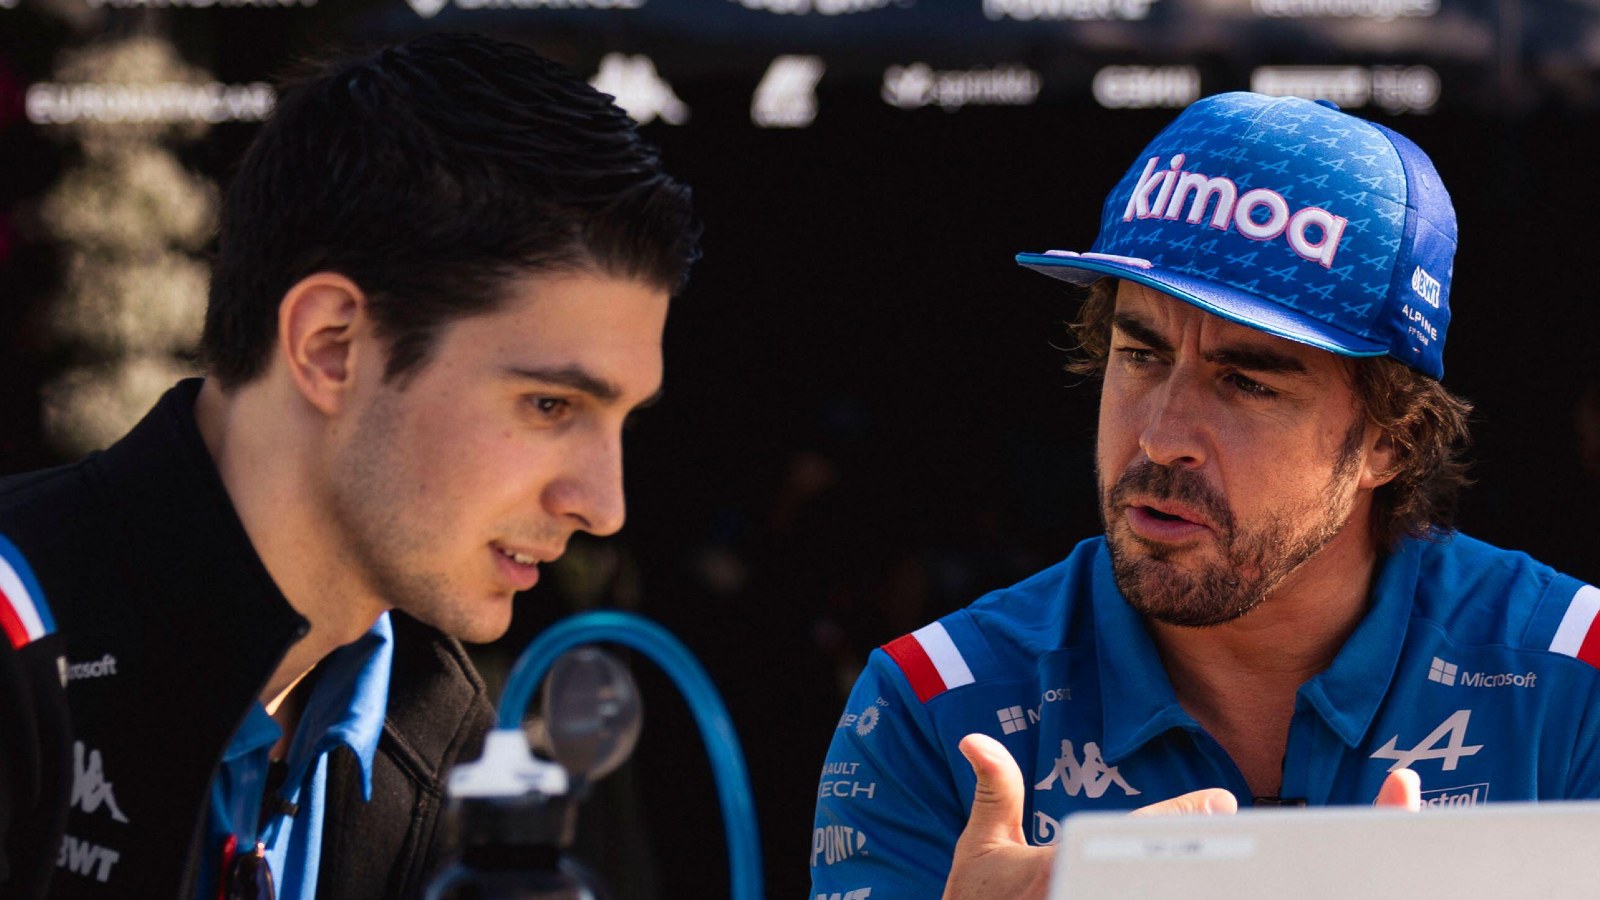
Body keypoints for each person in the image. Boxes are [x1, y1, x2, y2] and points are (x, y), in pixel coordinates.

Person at [809, 91, 1600, 899]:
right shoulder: (937, 705)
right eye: (1141, 355)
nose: (1158, 438)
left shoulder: (1577, 677)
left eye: (1246, 382)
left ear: (1388, 439)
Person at [0, 33, 700, 900]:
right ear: (331, 349)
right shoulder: (22, 642)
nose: (603, 503)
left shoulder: (454, 751)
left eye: (622, 421)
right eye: (550, 405)